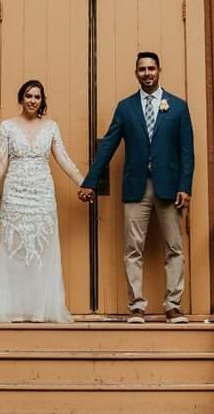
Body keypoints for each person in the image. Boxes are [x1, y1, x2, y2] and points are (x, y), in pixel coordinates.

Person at [78, 50, 194, 323]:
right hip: (136, 188)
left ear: (159, 70)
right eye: (142, 69)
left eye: (151, 68)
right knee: (133, 248)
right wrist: (90, 182)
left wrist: (185, 186)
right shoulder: (126, 107)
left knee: (174, 248)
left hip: (169, 188)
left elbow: (187, 151)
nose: (147, 73)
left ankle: (173, 305)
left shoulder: (178, 106)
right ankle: (137, 307)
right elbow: (108, 145)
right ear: (136, 73)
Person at [0, 77, 84, 324]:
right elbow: (1, 160)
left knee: (42, 250)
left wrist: (83, 182)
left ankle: (41, 308)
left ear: (42, 101)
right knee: (13, 249)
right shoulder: (7, 126)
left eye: (37, 97)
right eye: (29, 96)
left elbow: (63, 158)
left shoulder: (51, 127)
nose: (33, 100)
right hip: (16, 192)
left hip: (42, 193)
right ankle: (12, 309)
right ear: (21, 98)